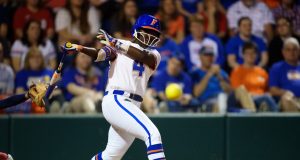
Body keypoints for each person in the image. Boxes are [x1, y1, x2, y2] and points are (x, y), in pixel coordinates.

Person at [65, 14, 166, 159]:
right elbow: (99, 54)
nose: (150, 35)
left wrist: (114, 42)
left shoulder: (155, 54)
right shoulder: (117, 46)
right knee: (153, 135)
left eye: (154, 33)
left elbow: (142, 57)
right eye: (147, 30)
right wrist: (80, 48)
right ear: (137, 29)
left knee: (111, 156)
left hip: (133, 105)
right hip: (117, 100)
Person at [230, 42, 278, 112]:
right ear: (243, 55)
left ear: (256, 55)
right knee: (266, 99)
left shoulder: (262, 72)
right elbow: (238, 91)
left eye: (253, 53)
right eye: (247, 53)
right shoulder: (237, 71)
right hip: (246, 99)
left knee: (266, 101)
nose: (250, 55)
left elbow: (269, 90)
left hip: (262, 99)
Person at [191, 46, 231, 112]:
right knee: (219, 101)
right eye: (206, 55)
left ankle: (251, 116)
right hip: (207, 101)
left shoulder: (221, 72)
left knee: (241, 90)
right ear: (200, 57)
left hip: (225, 98)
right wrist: (209, 73)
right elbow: (196, 93)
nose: (209, 58)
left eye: (211, 55)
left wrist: (219, 76)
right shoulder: (195, 73)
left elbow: (229, 91)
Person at [15, 47, 52, 113]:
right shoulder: (21, 74)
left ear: (42, 59)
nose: (36, 60)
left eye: (38, 57)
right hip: (29, 102)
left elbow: (57, 91)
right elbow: (19, 92)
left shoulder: (49, 72)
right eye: (33, 57)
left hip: (49, 99)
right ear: (28, 60)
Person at [269, 37, 300, 112]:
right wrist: (285, 92)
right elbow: (273, 90)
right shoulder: (276, 68)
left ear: (299, 51)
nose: (292, 52)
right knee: (286, 99)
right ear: (283, 52)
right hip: (288, 100)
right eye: (288, 50)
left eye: (294, 49)